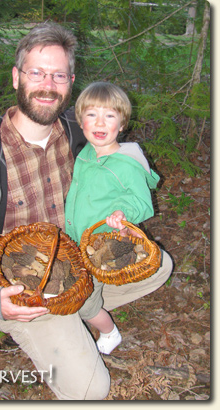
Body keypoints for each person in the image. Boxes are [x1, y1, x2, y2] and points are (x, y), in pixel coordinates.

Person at [0, 23, 173, 400]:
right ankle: (55, 325)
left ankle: (80, 311)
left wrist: (125, 208)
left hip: (78, 262)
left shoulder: (81, 131)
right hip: (25, 293)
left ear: (70, 82)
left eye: (58, 75)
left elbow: (123, 159)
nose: (47, 84)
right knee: (91, 390)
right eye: (36, 73)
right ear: (17, 77)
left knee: (160, 265)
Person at [65, 81, 161, 355]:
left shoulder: (126, 163)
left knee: (85, 304)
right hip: (77, 240)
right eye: (92, 114)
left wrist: (124, 212)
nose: (100, 122)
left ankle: (109, 332)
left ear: (121, 125)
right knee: (74, 285)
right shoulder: (85, 153)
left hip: (101, 248)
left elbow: (143, 203)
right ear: (81, 122)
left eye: (109, 116)